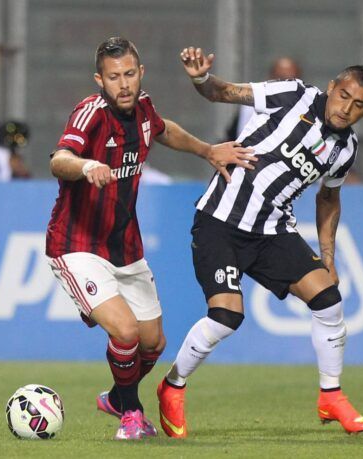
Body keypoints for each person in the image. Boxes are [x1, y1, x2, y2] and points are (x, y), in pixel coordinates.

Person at [157, 46, 363, 438]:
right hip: (220, 221)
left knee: (328, 300)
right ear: (331, 88)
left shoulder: (345, 149)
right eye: (343, 96)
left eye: (359, 105)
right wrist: (200, 78)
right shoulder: (295, 95)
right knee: (226, 317)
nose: (346, 108)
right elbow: (224, 93)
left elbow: (328, 198)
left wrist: (329, 257)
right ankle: (172, 386)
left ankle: (331, 396)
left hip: (273, 231)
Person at [45, 37, 255, 441]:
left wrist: (207, 150)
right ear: (99, 80)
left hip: (125, 247)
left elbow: (162, 129)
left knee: (152, 343)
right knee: (124, 332)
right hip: (77, 245)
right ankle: (132, 415)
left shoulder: (143, 107)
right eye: (113, 77)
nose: (122, 84)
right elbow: (59, 159)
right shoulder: (89, 114)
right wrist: (87, 165)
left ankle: (117, 397)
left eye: (128, 74)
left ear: (140, 73)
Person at [224, 56, 302, 141]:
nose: (284, 85)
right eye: (281, 79)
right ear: (270, 78)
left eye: (291, 81)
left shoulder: (307, 109)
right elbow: (233, 139)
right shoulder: (251, 107)